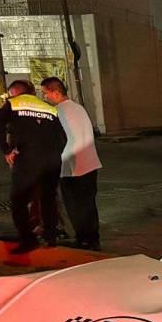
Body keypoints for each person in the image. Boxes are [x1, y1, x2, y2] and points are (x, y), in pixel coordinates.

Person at [0, 79, 66, 254]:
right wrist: (55, 155)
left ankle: (27, 240)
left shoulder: (13, 104)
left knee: (18, 200)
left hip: (27, 159)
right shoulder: (48, 108)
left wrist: (7, 150)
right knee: (48, 198)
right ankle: (50, 237)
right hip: (52, 161)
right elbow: (62, 137)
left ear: (15, 93)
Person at [40, 77, 102, 250]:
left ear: (56, 92)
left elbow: (58, 140)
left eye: (45, 93)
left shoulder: (57, 112)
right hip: (90, 163)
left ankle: (83, 240)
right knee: (88, 204)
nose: (44, 97)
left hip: (72, 166)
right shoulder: (78, 108)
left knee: (75, 206)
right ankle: (92, 238)